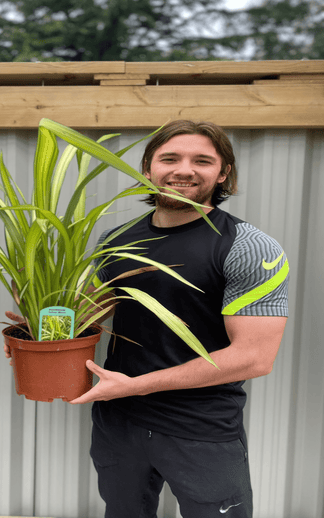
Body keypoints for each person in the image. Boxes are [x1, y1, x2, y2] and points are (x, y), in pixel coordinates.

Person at [66, 120, 289, 518]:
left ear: (223, 173)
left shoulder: (248, 247)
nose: (184, 170)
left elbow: (254, 358)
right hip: (119, 424)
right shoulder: (115, 240)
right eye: (170, 158)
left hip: (201, 430)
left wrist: (135, 386)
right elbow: (91, 314)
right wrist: (35, 335)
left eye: (202, 161)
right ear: (148, 168)